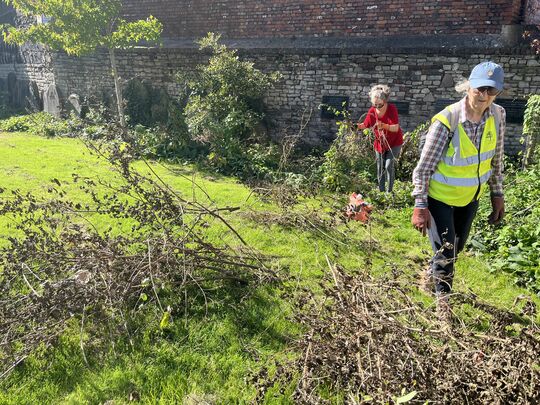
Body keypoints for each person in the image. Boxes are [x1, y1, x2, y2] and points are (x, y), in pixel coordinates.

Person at [411, 61, 506, 322]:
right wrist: (420, 206)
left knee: (457, 246)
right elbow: (423, 169)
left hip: (469, 198)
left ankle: (429, 275)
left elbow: (496, 160)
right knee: (447, 251)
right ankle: (445, 309)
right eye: (480, 89)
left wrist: (497, 195)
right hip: (439, 198)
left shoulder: (498, 115)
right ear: (469, 87)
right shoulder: (448, 120)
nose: (485, 96)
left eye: (492, 91)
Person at [357, 84, 404, 193]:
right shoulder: (372, 110)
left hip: (394, 142)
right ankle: (381, 192)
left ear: (385, 101)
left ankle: (389, 192)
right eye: (375, 104)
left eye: (379, 104)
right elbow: (365, 124)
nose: (377, 106)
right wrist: (356, 126)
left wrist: (383, 126)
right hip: (380, 143)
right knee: (380, 168)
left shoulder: (392, 109)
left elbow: (395, 128)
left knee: (388, 165)